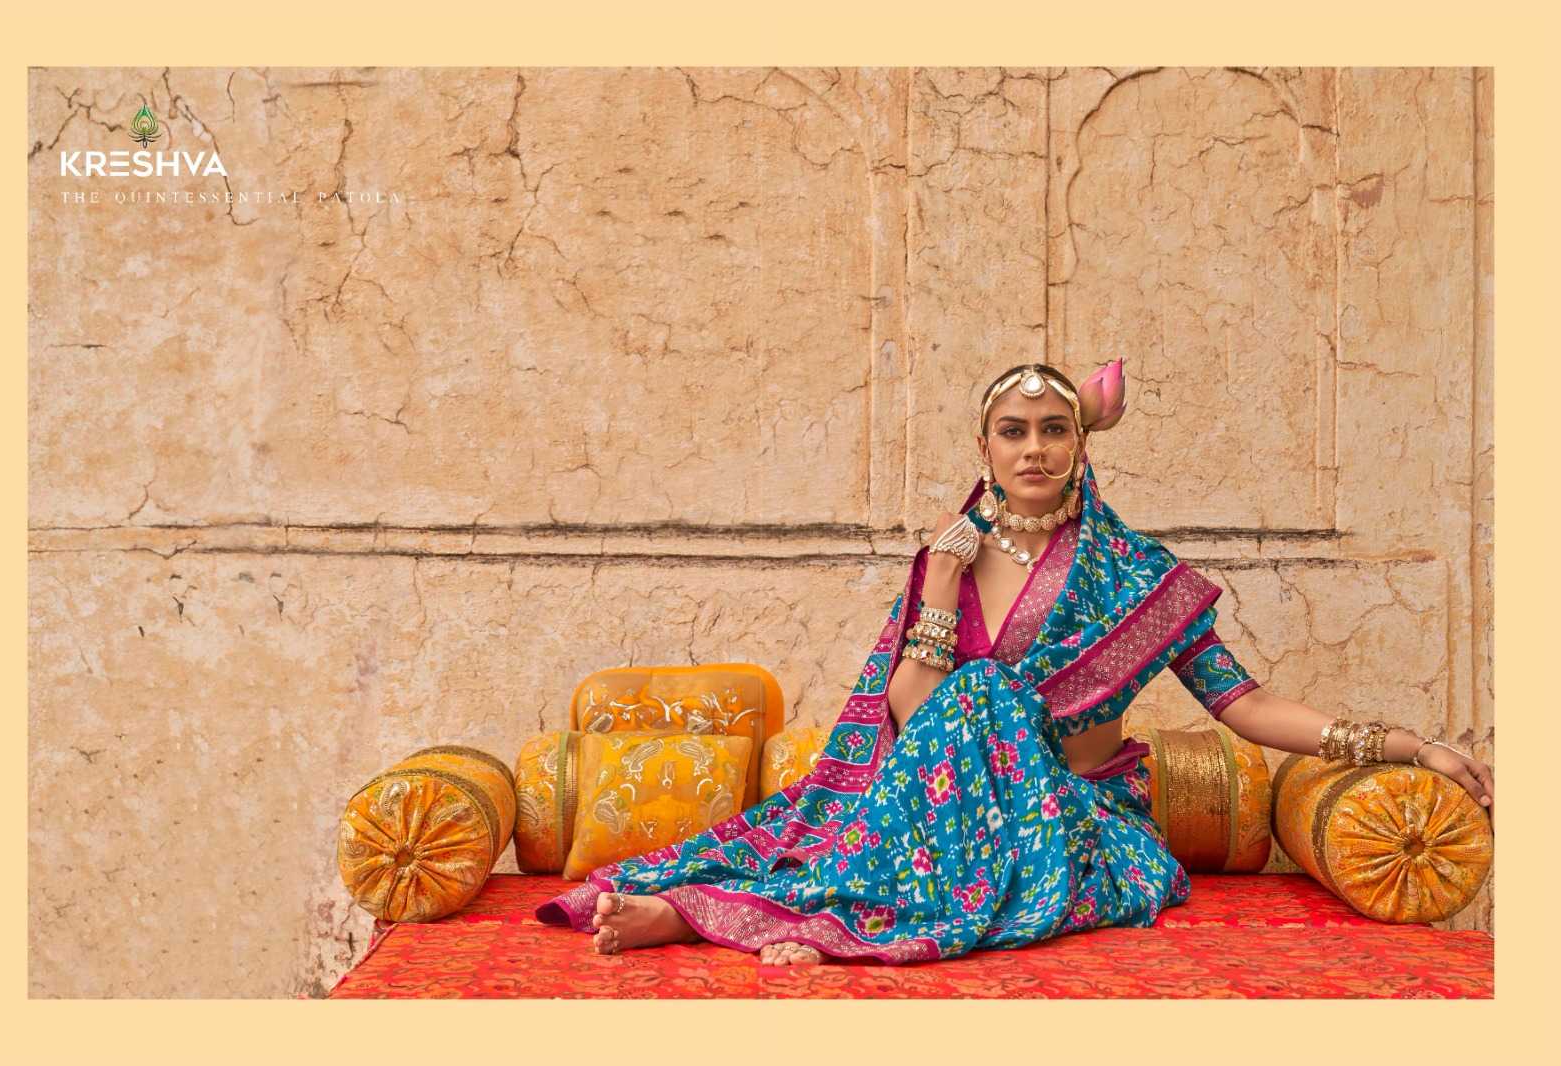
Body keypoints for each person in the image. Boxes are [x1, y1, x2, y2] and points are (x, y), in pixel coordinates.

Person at [535, 362, 1495, 966]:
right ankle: (732, 912)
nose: (1034, 448)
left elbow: (1245, 705)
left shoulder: (1137, 576)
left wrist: (1410, 746)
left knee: (984, 692)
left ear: (1081, 444)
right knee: (975, 694)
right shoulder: (945, 560)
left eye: (1053, 429)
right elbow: (912, 720)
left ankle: (726, 918)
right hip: (938, 813)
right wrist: (942, 591)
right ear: (985, 448)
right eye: (1014, 430)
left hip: (1074, 825)